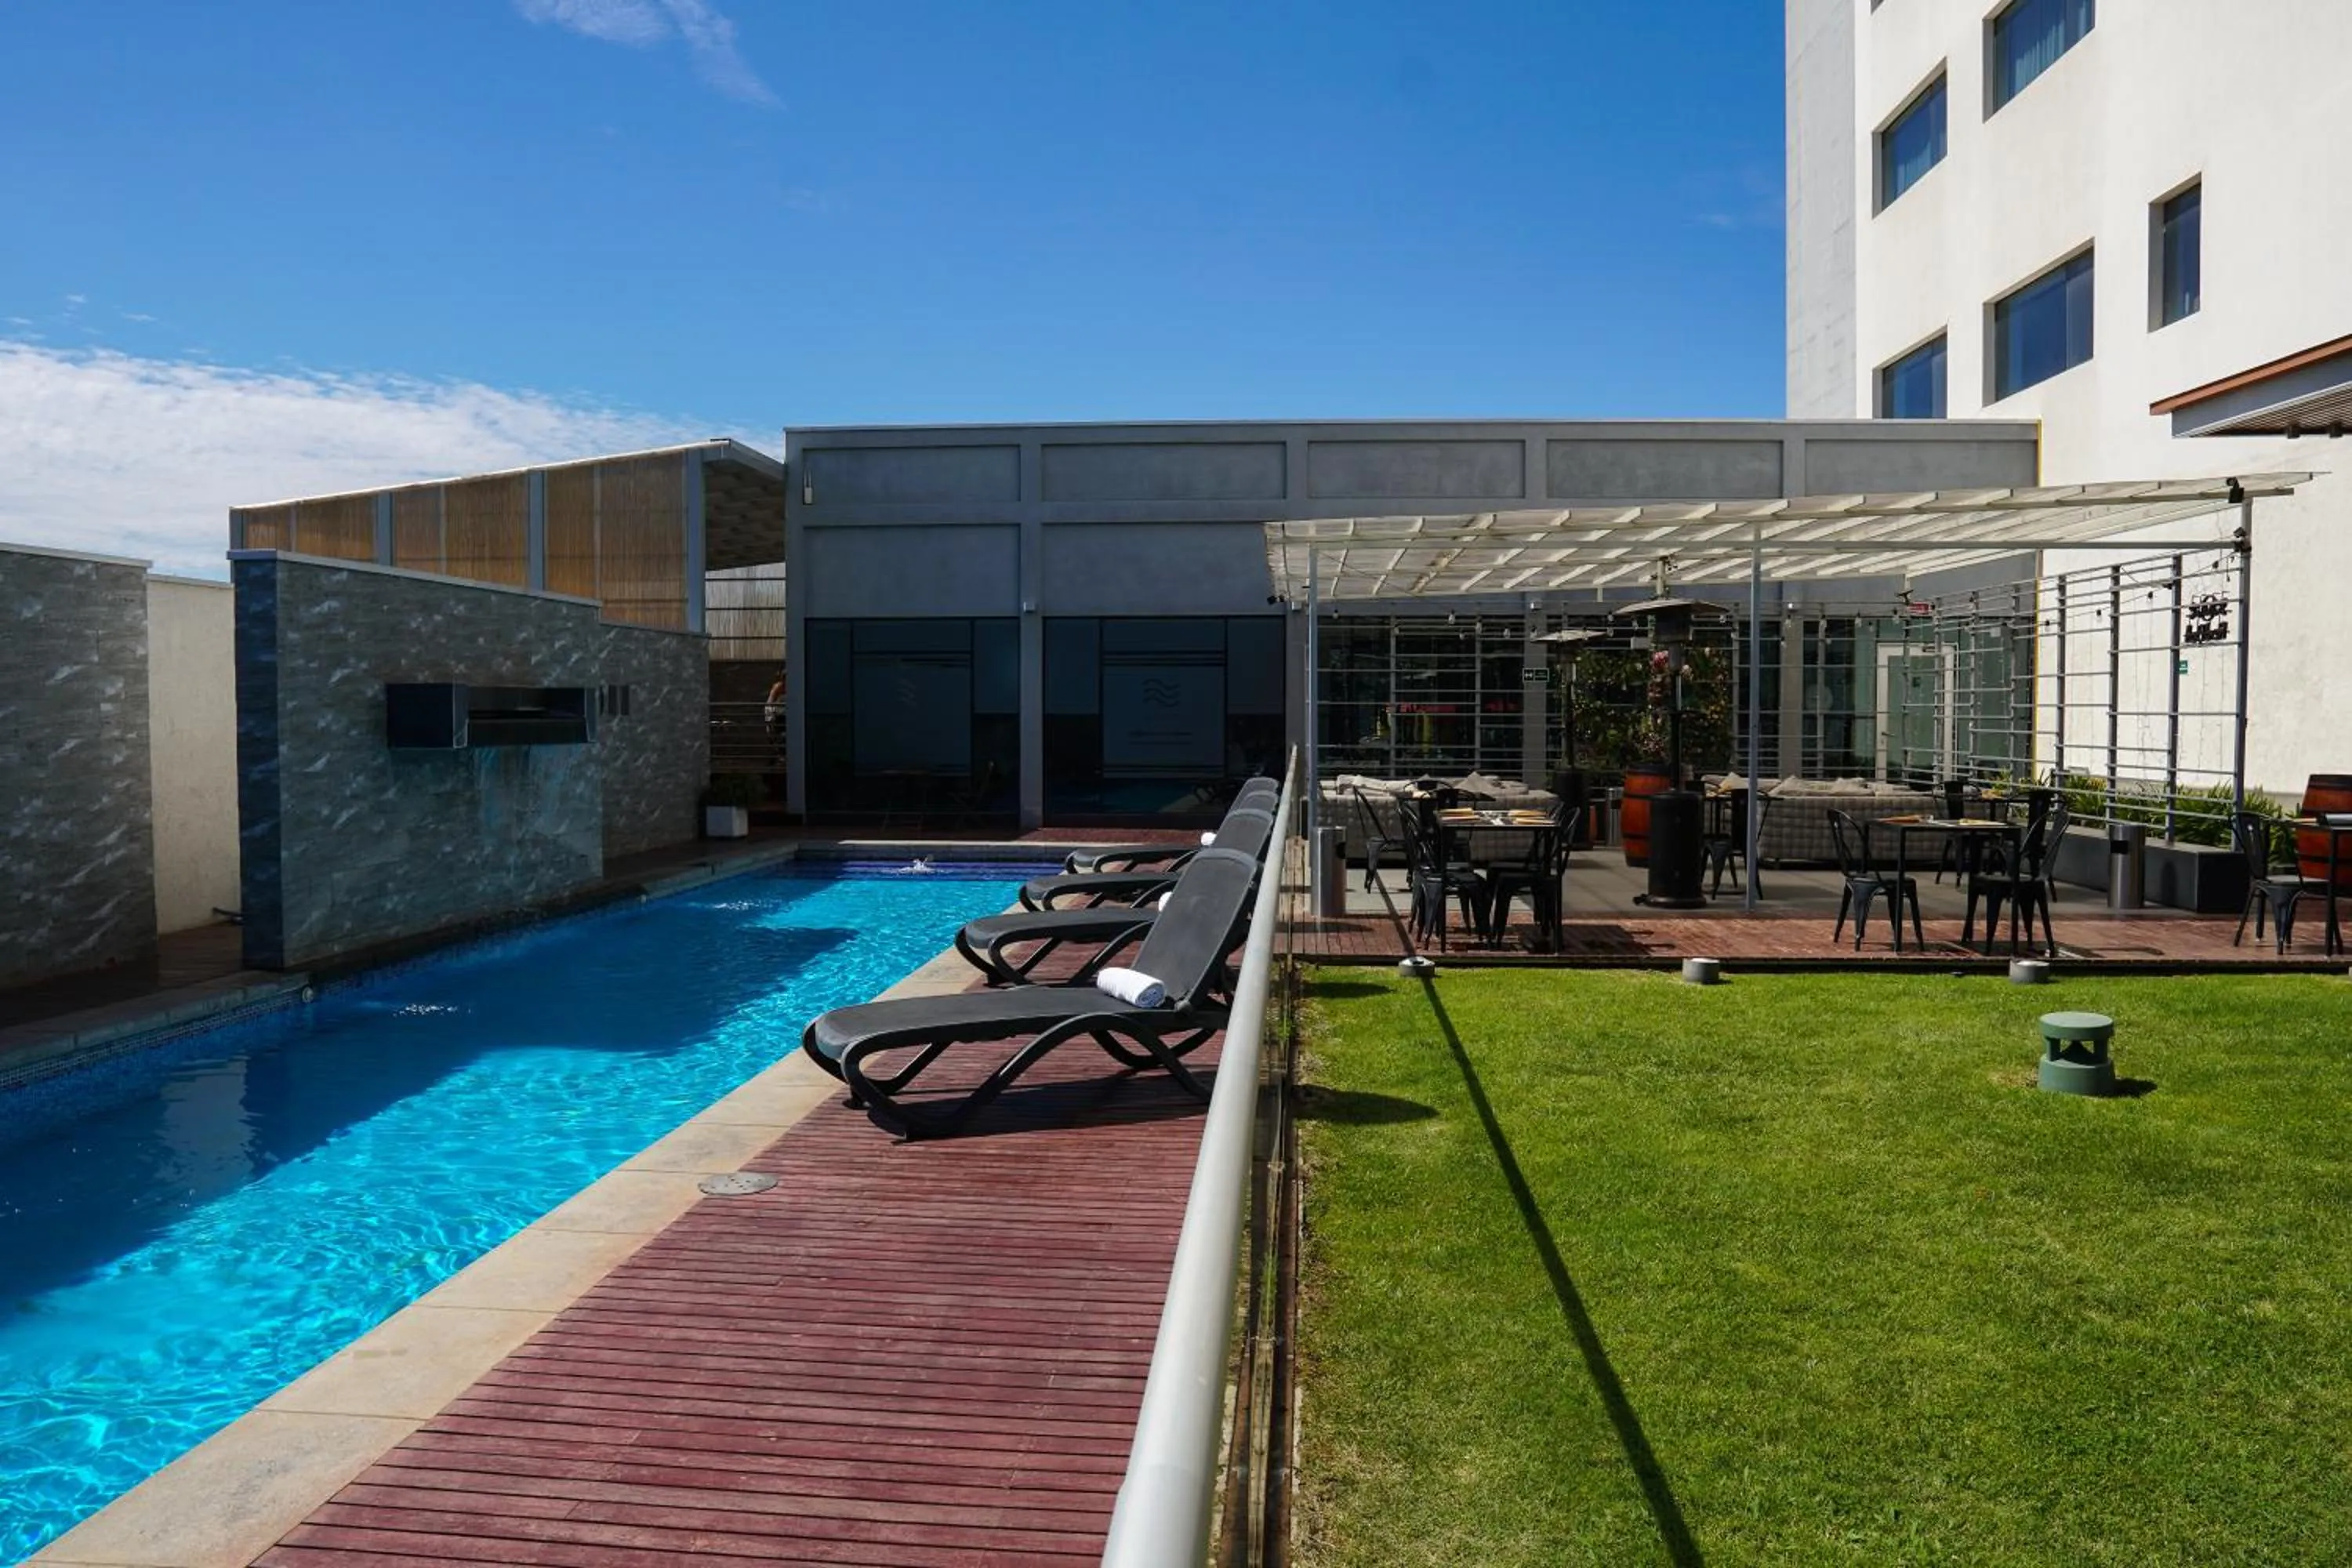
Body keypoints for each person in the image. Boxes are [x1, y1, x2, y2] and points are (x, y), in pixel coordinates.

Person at [762, 670, 786, 760]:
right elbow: (770, 702)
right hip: (779, 716)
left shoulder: (795, 687)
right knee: (776, 735)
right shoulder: (778, 688)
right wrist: (770, 717)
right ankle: (779, 755)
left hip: (788, 716)